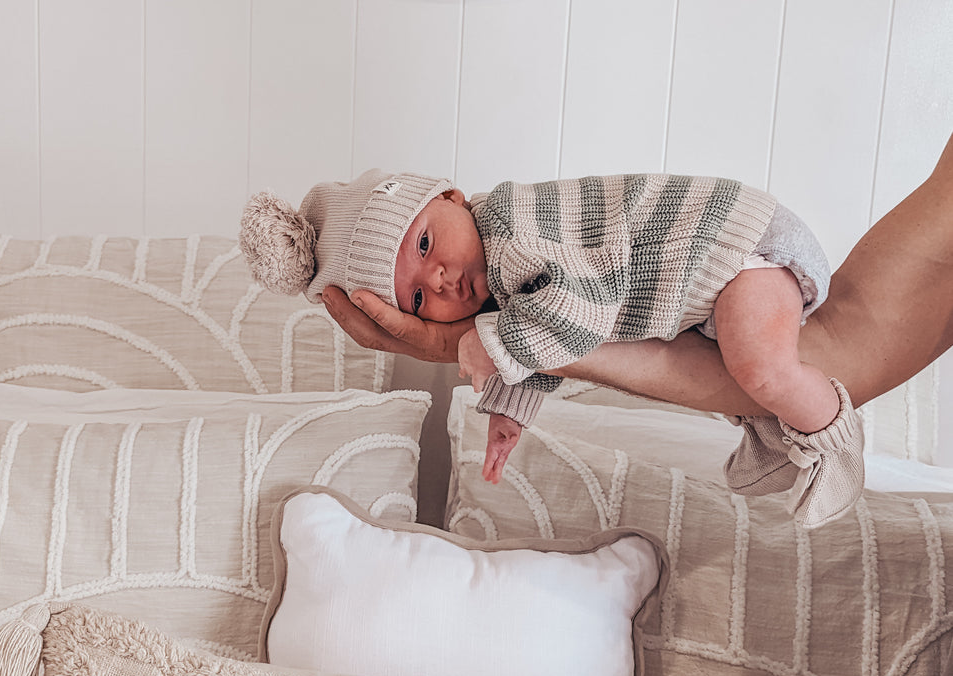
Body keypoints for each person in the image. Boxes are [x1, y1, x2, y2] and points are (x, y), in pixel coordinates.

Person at [239, 165, 869, 528]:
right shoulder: (499, 278)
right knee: (743, 369)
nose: (439, 280)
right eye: (419, 300)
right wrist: (509, 410)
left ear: (453, 197)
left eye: (427, 245)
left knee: (763, 369)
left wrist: (488, 343)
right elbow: (537, 329)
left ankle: (834, 443)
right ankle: (785, 434)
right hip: (706, 291)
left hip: (737, 247)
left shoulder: (512, 227)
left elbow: (580, 308)